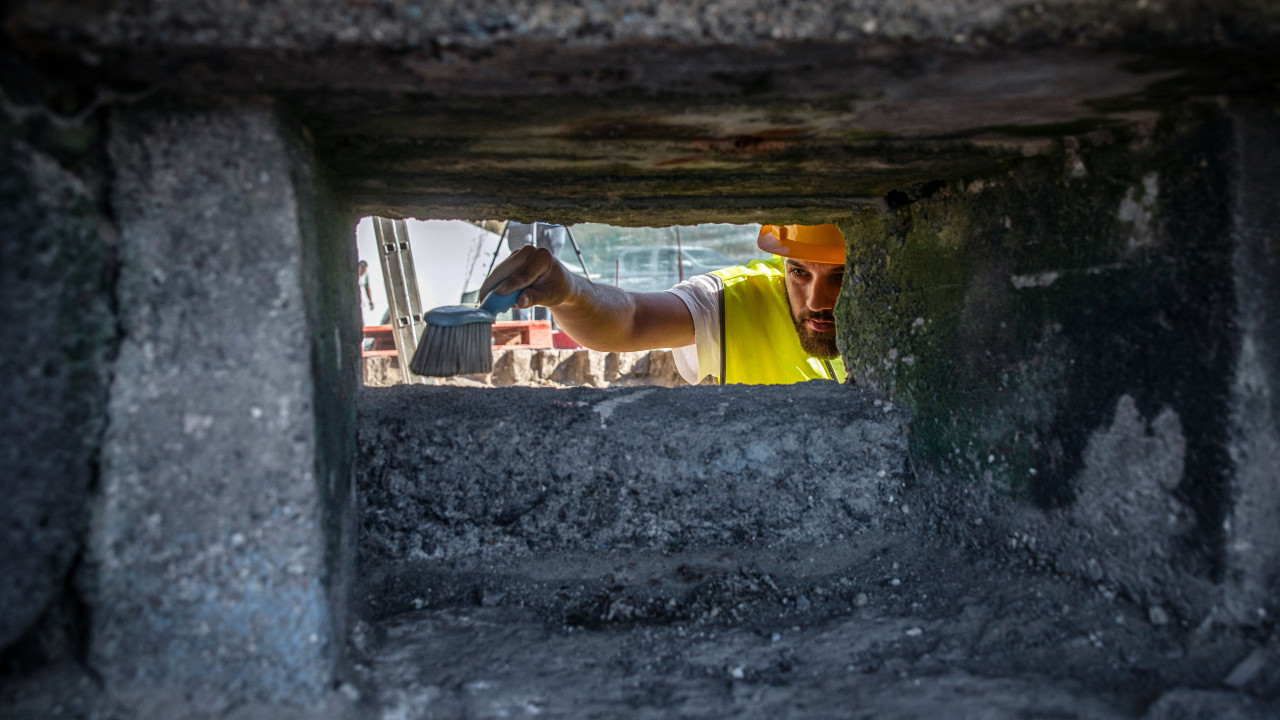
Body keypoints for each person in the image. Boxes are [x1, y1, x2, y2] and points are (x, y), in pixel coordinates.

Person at [490, 224, 848, 385]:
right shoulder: (737, 297)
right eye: (799, 272)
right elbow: (632, 319)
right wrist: (569, 291)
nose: (817, 301)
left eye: (840, 277)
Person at [504, 222, 566, 322]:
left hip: (555, 223)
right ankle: (520, 330)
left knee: (549, 277)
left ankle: (543, 328)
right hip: (521, 222)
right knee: (520, 275)